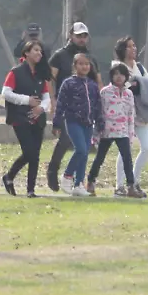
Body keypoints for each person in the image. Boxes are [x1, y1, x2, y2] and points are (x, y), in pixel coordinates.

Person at [45, 22, 100, 191]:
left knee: (82, 147)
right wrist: (53, 100)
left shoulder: (89, 57)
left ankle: (77, 182)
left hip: (85, 109)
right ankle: (54, 170)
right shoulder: (59, 55)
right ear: (71, 35)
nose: (82, 39)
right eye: (79, 35)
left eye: (84, 36)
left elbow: (97, 81)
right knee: (65, 140)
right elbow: (49, 79)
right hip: (67, 106)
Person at [0, 41, 52, 198]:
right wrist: (26, 100)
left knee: (35, 155)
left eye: (41, 51)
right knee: (29, 152)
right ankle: (9, 176)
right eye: (36, 50)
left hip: (38, 119)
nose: (39, 53)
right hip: (20, 118)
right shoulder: (15, 72)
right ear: (26, 53)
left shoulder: (41, 73)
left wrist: (40, 108)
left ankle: (30, 190)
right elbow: (6, 93)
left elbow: (46, 97)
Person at [87, 62, 144, 197]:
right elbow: (99, 112)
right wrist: (96, 133)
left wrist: (131, 134)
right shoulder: (105, 92)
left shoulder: (129, 94)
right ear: (111, 76)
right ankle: (90, 182)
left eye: (122, 74)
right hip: (107, 131)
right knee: (100, 158)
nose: (119, 77)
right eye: (115, 74)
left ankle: (130, 186)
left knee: (127, 159)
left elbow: (131, 114)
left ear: (126, 77)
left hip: (123, 131)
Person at [52, 53, 103, 197]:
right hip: (73, 121)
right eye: (81, 64)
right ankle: (67, 176)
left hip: (88, 123)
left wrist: (100, 123)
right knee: (80, 149)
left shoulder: (92, 85)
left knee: (85, 153)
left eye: (87, 64)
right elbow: (60, 104)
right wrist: (56, 123)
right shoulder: (68, 83)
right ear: (75, 66)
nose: (84, 66)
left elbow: (97, 106)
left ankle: (79, 184)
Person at [114, 36, 148, 197]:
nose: (134, 49)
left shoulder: (139, 66)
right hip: (124, 113)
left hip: (142, 113)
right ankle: (120, 185)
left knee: (146, 148)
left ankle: (134, 181)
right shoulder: (118, 66)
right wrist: (134, 84)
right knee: (125, 150)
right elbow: (121, 85)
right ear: (123, 49)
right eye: (130, 46)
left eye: (134, 46)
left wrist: (139, 82)